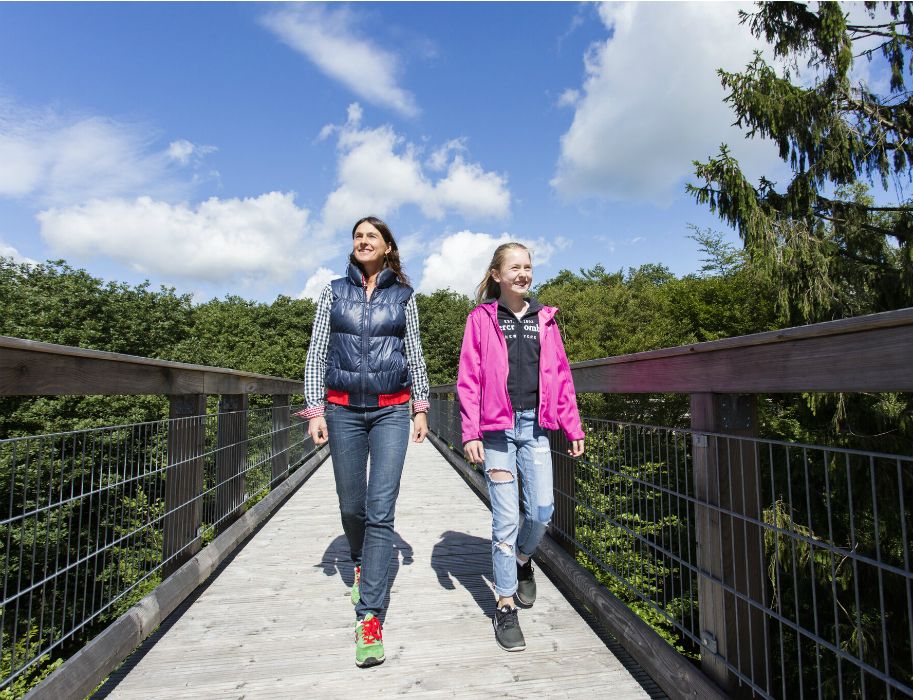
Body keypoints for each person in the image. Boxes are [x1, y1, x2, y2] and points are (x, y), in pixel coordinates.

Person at [298, 216, 429, 668]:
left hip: (392, 409)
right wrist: (315, 409)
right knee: (351, 505)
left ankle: (369, 614)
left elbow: (414, 351)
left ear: (388, 247)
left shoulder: (404, 297)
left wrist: (421, 405)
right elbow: (318, 349)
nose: (363, 240)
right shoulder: (334, 291)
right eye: (358, 236)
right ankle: (358, 559)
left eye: (372, 235)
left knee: (380, 508)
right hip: (343, 410)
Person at [456, 241, 585, 652]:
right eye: (515, 267)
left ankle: (522, 560)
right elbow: (469, 377)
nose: (523, 273)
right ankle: (506, 604)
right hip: (496, 431)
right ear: (497, 275)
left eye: (528, 266)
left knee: (543, 510)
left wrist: (573, 425)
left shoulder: (545, 319)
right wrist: (470, 431)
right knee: (506, 521)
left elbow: (561, 376)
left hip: (536, 428)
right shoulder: (481, 319)